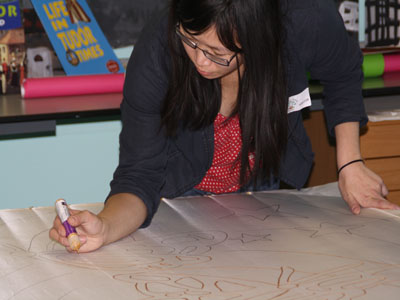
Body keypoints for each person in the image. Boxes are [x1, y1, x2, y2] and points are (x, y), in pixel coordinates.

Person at [50, 0, 399, 253]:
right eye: (192, 40)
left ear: (258, 39)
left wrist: (350, 162)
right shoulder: (159, 50)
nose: (201, 61)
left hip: (267, 191)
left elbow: (343, 70)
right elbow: (140, 174)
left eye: (218, 53)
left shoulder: (303, 20)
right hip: (181, 200)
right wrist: (106, 227)